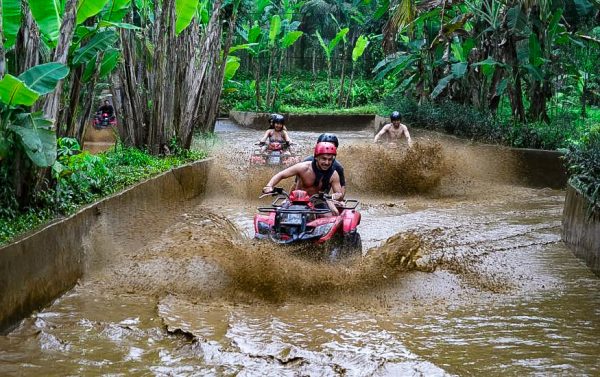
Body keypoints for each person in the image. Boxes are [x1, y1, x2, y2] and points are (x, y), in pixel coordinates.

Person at [263, 142, 343, 213]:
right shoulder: (303, 167)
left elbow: (339, 194)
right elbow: (281, 175)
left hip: (318, 202)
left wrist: (336, 196)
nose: (327, 162)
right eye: (324, 159)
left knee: (332, 216)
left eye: (330, 159)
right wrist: (269, 186)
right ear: (316, 157)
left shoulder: (333, 174)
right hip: (296, 200)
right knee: (277, 215)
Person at [298, 133, 346, 199]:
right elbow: (296, 183)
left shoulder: (338, 167)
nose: (328, 148)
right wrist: (289, 199)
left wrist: (340, 200)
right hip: (303, 198)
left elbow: (342, 187)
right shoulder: (306, 162)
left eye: (331, 146)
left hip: (323, 198)